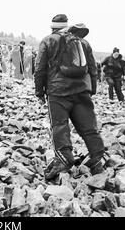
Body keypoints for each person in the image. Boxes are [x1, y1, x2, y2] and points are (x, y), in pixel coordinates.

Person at [34, 15, 105, 180]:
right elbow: (93, 68)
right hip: (81, 91)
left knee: (59, 126)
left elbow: (40, 69)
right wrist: (91, 90)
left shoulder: (48, 40)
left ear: (53, 27)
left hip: (57, 91)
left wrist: (39, 92)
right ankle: (96, 159)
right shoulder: (83, 42)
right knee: (88, 126)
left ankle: (64, 159)